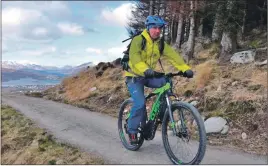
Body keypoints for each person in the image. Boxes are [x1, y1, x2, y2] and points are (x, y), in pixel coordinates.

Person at [124, 15, 194, 144]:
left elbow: (174, 57)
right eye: (154, 28)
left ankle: (162, 113)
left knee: (166, 82)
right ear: (148, 28)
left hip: (148, 75)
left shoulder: (160, 43)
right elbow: (135, 58)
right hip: (134, 76)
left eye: (159, 28)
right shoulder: (138, 40)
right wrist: (145, 70)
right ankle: (132, 130)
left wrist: (185, 68)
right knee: (140, 104)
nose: (157, 31)